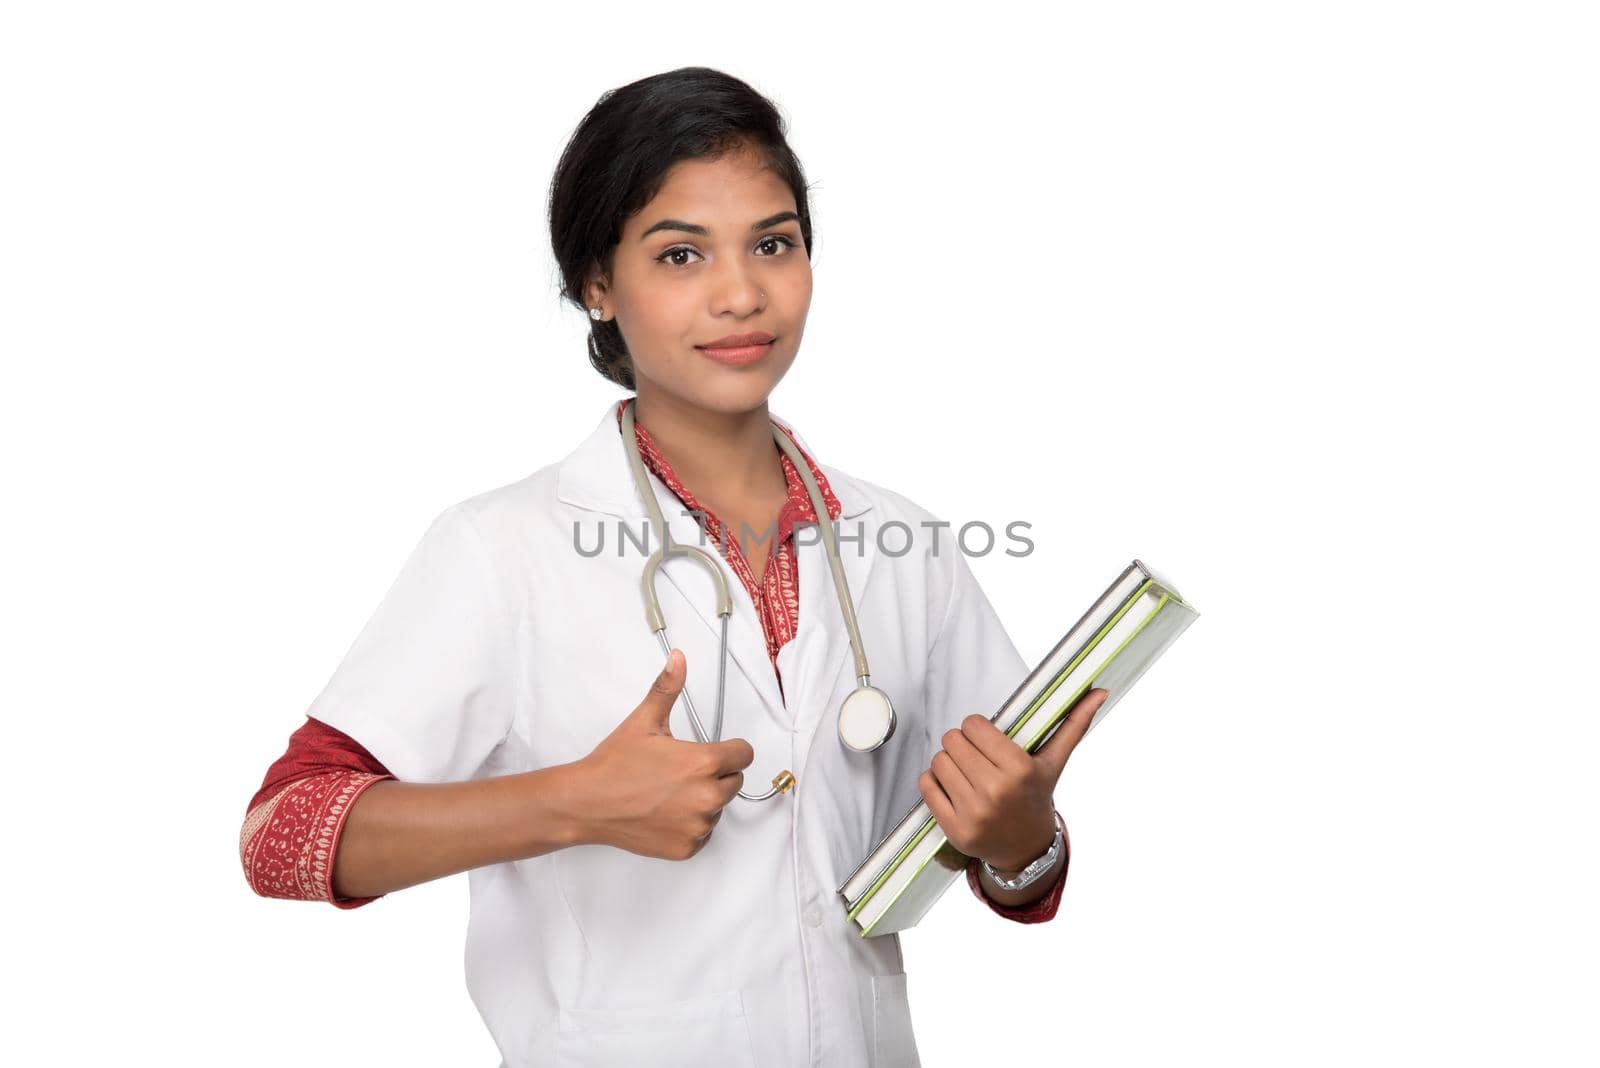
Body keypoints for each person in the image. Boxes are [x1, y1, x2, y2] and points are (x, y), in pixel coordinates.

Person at [239, 65, 1107, 1067]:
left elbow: (1013, 865)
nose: (741, 294)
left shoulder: (901, 543)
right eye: (680, 254)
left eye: (773, 245)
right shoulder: (501, 548)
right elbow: (280, 833)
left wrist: (1020, 841)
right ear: (596, 285)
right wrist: (574, 802)